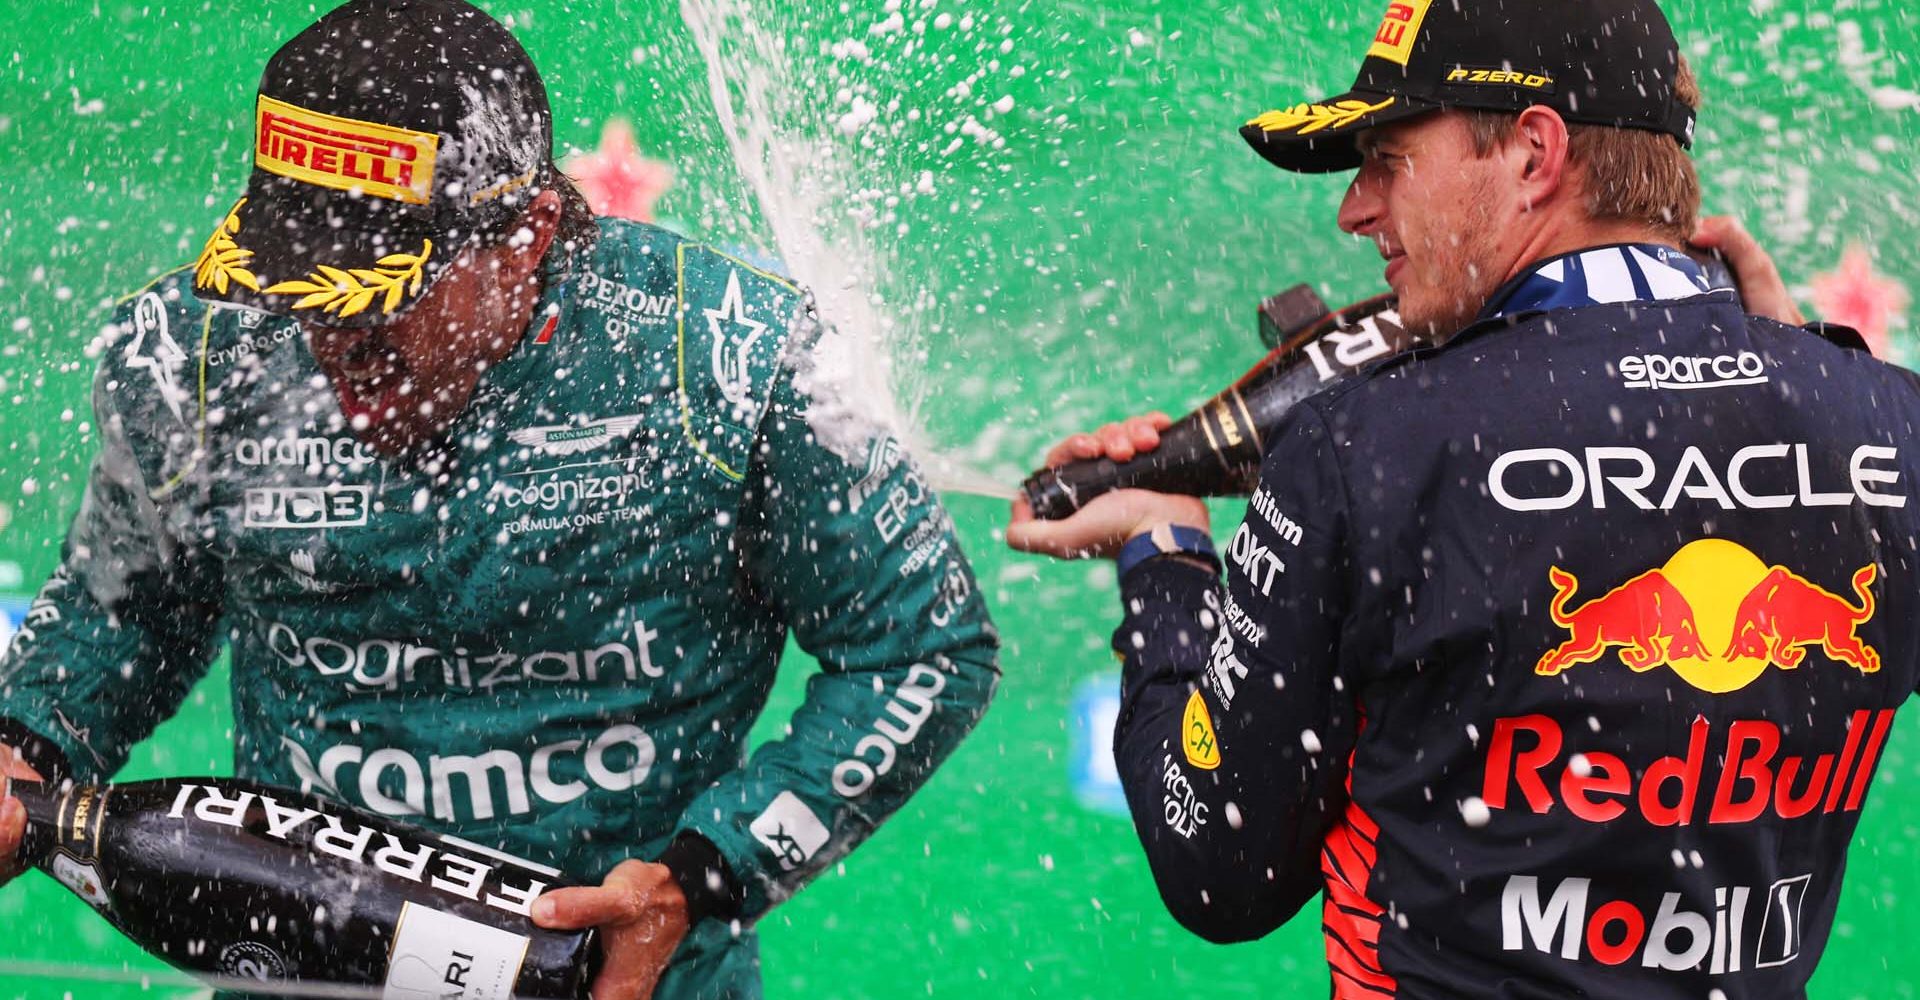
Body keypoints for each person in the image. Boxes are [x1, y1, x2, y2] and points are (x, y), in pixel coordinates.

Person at [0, 2, 998, 998]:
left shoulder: (734, 359)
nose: (336, 352)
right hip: (300, 972)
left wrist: (703, 876)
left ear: (527, 232)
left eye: (377, 299)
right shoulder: (200, 356)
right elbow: (122, 611)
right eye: (298, 296)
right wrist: (25, 742)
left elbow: (923, 648)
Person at [1009, 1, 1911, 997]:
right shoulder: (1886, 427)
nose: (1356, 210)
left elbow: (1220, 862)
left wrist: (1166, 561)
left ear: (1533, 152)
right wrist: (1819, 386)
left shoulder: (1368, 446)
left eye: (1387, 160)